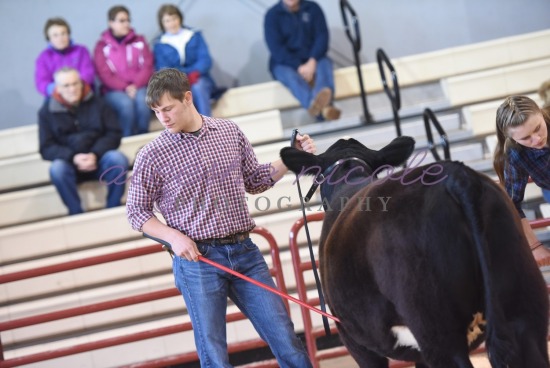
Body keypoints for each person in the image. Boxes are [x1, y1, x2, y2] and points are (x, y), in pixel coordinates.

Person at [126, 68, 314, 367]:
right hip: (198, 261)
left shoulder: (228, 132)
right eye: (156, 111)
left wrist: (290, 157)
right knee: (213, 353)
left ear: (187, 98)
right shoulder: (152, 154)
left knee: (284, 336)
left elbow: (255, 180)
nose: (163, 117)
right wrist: (174, 237)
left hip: (244, 253)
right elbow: (136, 212)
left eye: (168, 108)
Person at [38, 67, 128, 216]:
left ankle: (113, 208)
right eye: (66, 86)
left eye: (75, 83)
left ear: (81, 84)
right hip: (70, 165)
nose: (72, 89)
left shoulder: (99, 103)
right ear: (58, 89)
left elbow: (114, 133)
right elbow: (46, 147)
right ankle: (76, 213)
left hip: (99, 160)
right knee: (57, 169)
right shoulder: (46, 112)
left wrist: (95, 154)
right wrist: (73, 157)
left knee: (118, 159)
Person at [493, 95, 550, 267]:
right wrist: (535, 246)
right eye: (526, 138)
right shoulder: (515, 153)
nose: (537, 139)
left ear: (541, 113)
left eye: (538, 128)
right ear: (512, 139)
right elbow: (512, 202)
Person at [264, 0, 341, 122]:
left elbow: (322, 37)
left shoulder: (313, 8)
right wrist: (298, 66)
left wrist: (312, 60)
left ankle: (318, 105)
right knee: (291, 77)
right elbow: (276, 49)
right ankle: (323, 108)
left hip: (313, 58)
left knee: (325, 64)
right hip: (285, 63)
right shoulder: (272, 15)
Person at [93, 5, 154, 137]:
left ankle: (145, 137)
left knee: (143, 101)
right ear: (111, 23)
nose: (126, 24)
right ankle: (127, 139)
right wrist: (125, 87)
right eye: (121, 20)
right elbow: (104, 74)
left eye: (128, 20)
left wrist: (135, 86)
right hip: (113, 91)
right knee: (126, 105)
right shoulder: (101, 46)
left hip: (140, 86)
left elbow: (147, 66)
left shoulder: (140, 41)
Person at [152, 4, 221, 116]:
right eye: (167, 21)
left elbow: (205, 59)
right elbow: (163, 68)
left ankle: (207, 124)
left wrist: (194, 73)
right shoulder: (159, 44)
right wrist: (183, 77)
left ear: (180, 18)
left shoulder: (194, 35)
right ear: (162, 23)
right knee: (176, 94)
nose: (172, 23)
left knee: (198, 87)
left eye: (174, 18)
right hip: (175, 83)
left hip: (199, 77)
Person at [35, 17, 95, 97]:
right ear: (49, 38)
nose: (60, 38)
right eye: (55, 35)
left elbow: (88, 74)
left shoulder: (81, 51)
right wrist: (61, 90)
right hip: (56, 95)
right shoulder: (44, 57)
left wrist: (74, 87)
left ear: (68, 34)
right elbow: (42, 82)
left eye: (63, 33)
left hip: (82, 93)